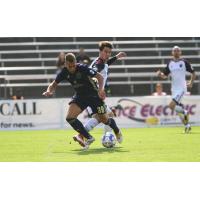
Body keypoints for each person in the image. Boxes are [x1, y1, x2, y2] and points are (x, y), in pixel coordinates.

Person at [43, 53, 122, 149]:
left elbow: (100, 77)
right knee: (70, 117)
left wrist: (101, 90)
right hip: (80, 96)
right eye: (69, 66)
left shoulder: (82, 68)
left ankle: (117, 130)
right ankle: (88, 138)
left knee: (104, 120)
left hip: (94, 96)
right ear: (65, 64)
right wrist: (48, 91)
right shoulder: (64, 72)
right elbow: (54, 84)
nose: (72, 68)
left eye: (73, 66)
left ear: (76, 63)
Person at [81, 41, 126, 139]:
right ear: (100, 51)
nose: (108, 54)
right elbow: (96, 70)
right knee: (101, 118)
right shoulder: (98, 63)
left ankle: (106, 137)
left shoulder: (101, 62)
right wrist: (97, 87)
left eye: (109, 52)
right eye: (106, 51)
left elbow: (105, 64)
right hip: (92, 95)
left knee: (107, 116)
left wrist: (116, 57)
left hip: (91, 94)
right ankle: (81, 135)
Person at [157, 46, 196, 133]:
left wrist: (191, 82)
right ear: (172, 53)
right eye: (175, 50)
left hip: (182, 88)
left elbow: (193, 73)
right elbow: (165, 75)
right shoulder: (170, 63)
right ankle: (187, 126)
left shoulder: (184, 62)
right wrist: (160, 74)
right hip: (174, 89)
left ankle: (185, 112)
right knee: (177, 111)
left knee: (171, 106)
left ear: (180, 52)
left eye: (178, 50)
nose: (176, 52)